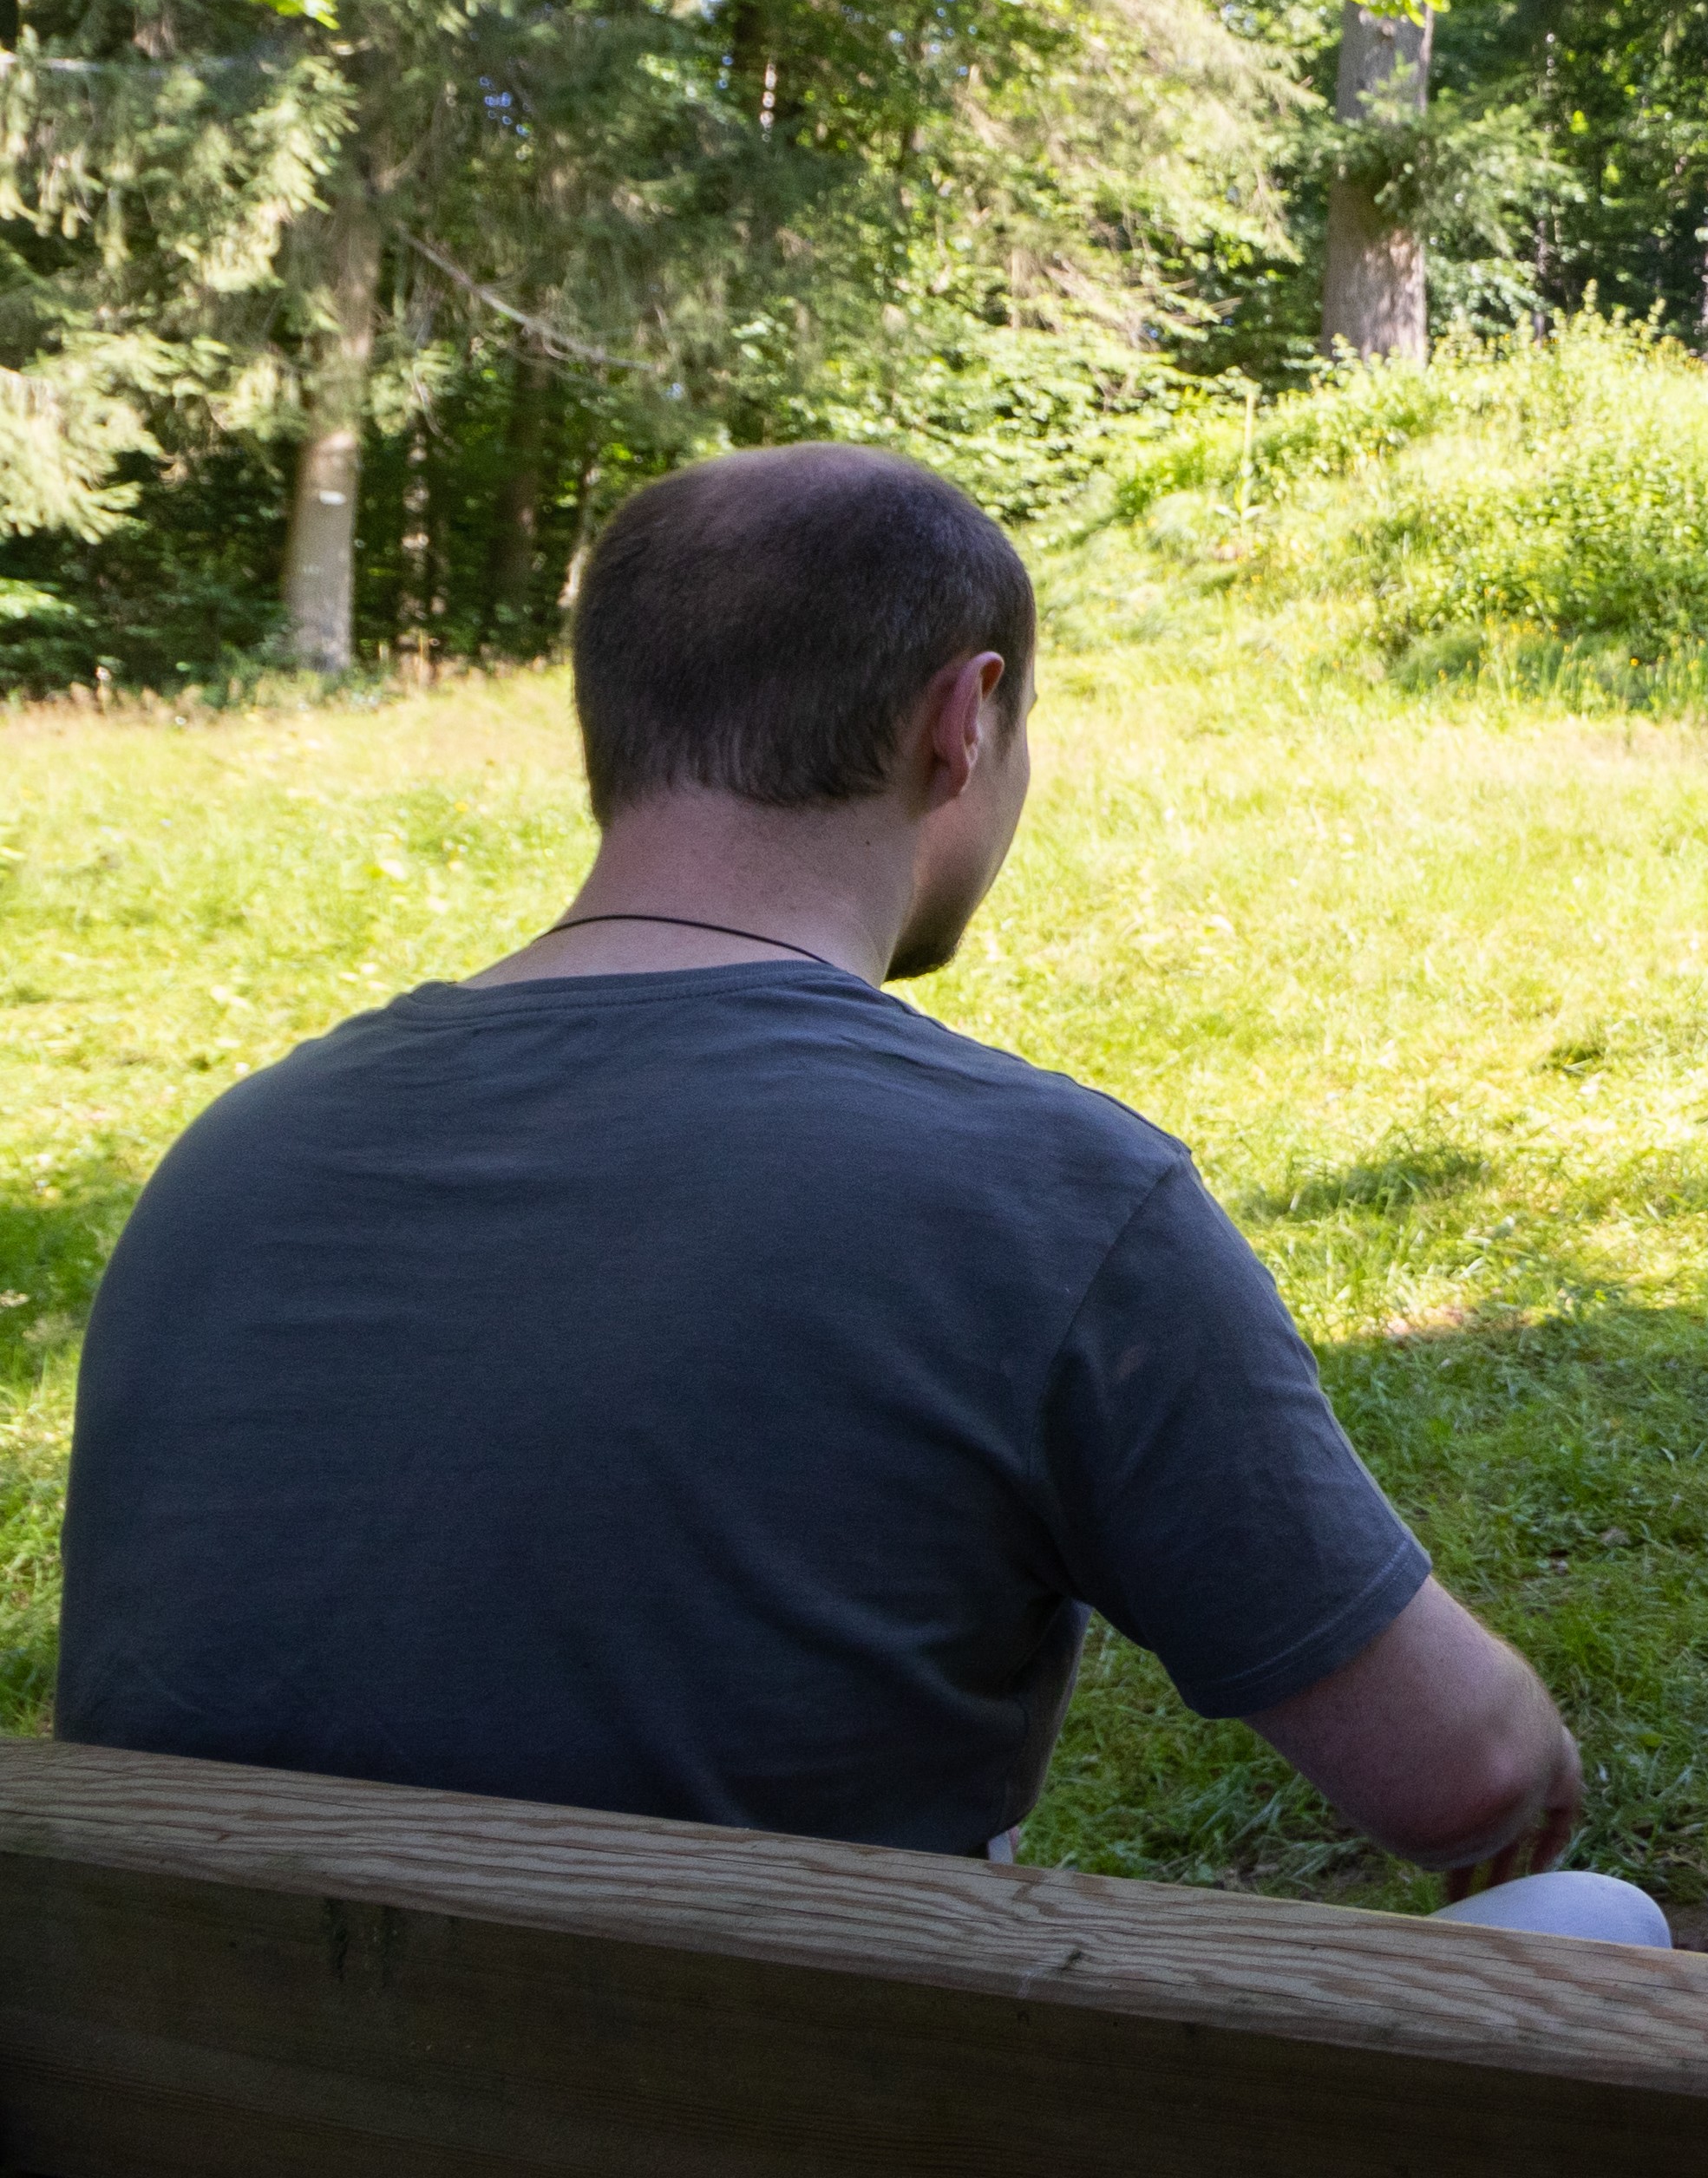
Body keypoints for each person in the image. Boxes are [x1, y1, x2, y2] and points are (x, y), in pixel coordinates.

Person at [59, 443, 1612, 1920]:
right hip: (773, 2102)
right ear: (963, 719)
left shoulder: (231, 1156)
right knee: (1589, 1924)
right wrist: (1530, 1748)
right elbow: (1466, 1779)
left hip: (194, 2091)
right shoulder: (1053, 1199)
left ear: (611, 726)